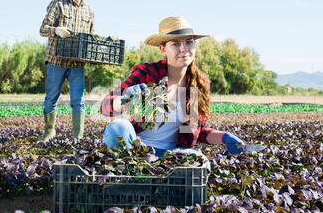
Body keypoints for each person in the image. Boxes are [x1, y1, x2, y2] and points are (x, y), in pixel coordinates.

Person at [100, 16, 246, 158]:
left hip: (171, 156)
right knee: (118, 128)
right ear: (163, 49)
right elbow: (106, 107)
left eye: (189, 42)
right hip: (135, 150)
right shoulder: (148, 73)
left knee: (199, 160)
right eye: (175, 44)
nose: (184, 49)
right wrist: (125, 99)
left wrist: (224, 137)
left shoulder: (199, 84)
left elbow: (195, 130)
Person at [38, 0, 95, 142]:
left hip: (77, 64)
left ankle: (78, 137)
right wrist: (56, 30)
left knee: (78, 100)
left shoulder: (89, 10)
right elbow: (42, 29)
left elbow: (91, 36)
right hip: (56, 60)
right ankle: (49, 131)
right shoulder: (58, 4)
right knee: (51, 98)